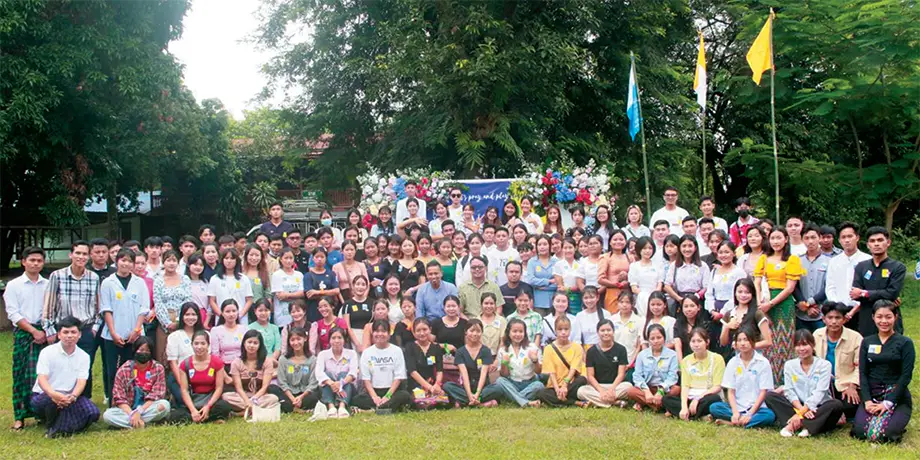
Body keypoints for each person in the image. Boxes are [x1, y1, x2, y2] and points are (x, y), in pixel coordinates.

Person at [41, 241, 100, 398]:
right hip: (64, 329)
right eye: (78, 253)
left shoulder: (93, 278)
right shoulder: (57, 276)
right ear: (71, 255)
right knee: (61, 366)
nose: (81, 257)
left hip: (86, 330)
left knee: (84, 367)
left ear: (89, 257)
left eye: (84, 254)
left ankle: (83, 402)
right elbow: (49, 304)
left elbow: (97, 306)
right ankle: (56, 400)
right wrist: (49, 330)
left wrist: (94, 328)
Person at [854, 300, 916, 443]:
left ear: (895, 317)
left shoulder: (905, 343)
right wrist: (867, 400)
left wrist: (888, 403)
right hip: (873, 393)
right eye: (879, 316)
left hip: (896, 395)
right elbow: (862, 373)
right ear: (873, 317)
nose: (884, 321)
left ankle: (893, 419)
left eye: (888, 317)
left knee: (886, 435)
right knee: (861, 432)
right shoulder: (867, 342)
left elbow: (906, 376)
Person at [765, 330, 843, 438]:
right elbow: (789, 390)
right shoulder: (790, 365)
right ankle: (810, 425)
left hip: (818, 407)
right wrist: (801, 410)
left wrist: (802, 413)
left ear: (813, 345)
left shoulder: (824, 365)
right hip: (798, 405)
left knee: (836, 405)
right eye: (798, 345)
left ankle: (796, 425)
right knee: (770, 396)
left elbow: (820, 393)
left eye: (805, 344)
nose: (801, 349)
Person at [30, 316, 99, 437]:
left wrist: (73, 396)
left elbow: (81, 382)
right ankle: (55, 426)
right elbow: (42, 379)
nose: (70, 336)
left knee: (93, 412)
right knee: (51, 402)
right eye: (65, 332)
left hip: (70, 397)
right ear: (59, 335)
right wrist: (54, 395)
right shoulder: (47, 352)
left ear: (79, 335)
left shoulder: (84, 356)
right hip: (46, 395)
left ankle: (59, 427)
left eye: (73, 332)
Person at [6, 247, 49, 430]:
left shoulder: (48, 284)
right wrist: (33, 331)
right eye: (32, 260)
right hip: (25, 334)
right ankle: (20, 416)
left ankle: (41, 413)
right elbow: (13, 313)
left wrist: (45, 331)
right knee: (21, 375)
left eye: (39, 261)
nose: (35, 264)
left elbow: (51, 309)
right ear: (23, 261)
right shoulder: (14, 285)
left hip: (45, 332)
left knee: (43, 375)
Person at [754, 226, 804, 382]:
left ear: (786, 239)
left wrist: (772, 303)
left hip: (783, 303)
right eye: (773, 238)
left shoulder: (792, 259)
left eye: (779, 238)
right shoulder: (763, 258)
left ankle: (784, 381)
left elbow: (790, 288)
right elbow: (757, 282)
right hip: (764, 301)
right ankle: (768, 381)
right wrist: (761, 306)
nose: (775, 241)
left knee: (784, 342)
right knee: (767, 341)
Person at [99, 248, 150, 400]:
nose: (126, 264)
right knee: (112, 370)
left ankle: (132, 398)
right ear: (117, 261)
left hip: (135, 335)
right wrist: (113, 332)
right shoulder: (108, 283)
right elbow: (106, 309)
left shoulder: (139, 283)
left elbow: (144, 308)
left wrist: (136, 330)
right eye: (123, 260)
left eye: (129, 261)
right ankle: (114, 400)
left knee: (133, 368)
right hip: (112, 335)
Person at [709, 327, 776, 428]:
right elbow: (730, 391)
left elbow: (763, 392)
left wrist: (750, 414)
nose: (743, 343)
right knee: (714, 407)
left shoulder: (763, 363)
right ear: (736, 344)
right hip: (738, 406)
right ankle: (741, 421)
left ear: (753, 342)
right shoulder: (733, 362)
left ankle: (733, 423)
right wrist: (735, 412)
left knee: (769, 416)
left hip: (757, 408)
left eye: (746, 340)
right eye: (739, 340)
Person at [102, 337, 171, 429]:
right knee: (108, 415)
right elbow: (119, 397)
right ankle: (140, 423)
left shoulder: (158, 368)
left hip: (147, 407)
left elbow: (157, 395)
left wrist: (139, 411)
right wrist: (132, 413)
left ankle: (131, 423)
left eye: (147, 350)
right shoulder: (124, 369)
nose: (144, 353)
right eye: (141, 350)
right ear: (135, 350)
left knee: (164, 405)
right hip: (128, 409)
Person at [166, 330, 233, 423]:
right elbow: (184, 390)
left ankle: (203, 416)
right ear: (191, 345)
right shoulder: (184, 364)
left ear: (208, 345)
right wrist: (193, 410)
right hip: (194, 401)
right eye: (196, 344)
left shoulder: (216, 362)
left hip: (210, 400)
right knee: (175, 416)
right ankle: (204, 418)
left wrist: (208, 406)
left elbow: (219, 388)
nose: (199, 347)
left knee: (224, 406)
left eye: (203, 343)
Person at [850, 226, 906, 337]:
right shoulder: (861, 267)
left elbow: (892, 293)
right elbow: (855, 294)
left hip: (889, 320)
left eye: (880, 240)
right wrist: (884, 295)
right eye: (872, 241)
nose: (876, 244)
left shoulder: (898, 267)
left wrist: (865, 293)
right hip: (866, 319)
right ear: (868, 245)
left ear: (888, 242)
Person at [813, 302, 862, 419]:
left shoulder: (856, 337)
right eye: (830, 318)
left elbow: (860, 366)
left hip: (845, 384)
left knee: (852, 404)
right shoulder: (816, 335)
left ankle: (834, 413)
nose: (834, 322)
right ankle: (835, 414)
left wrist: (852, 385)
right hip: (821, 383)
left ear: (845, 319)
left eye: (838, 318)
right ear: (823, 319)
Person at [663, 327, 724, 420]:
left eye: (699, 341)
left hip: (707, 396)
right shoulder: (686, 361)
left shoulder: (717, 359)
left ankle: (688, 415)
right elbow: (685, 386)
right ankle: (697, 416)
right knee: (666, 399)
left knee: (713, 399)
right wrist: (684, 407)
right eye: (693, 341)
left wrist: (698, 399)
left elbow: (717, 386)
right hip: (690, 397)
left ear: (707, 342)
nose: (696, 345)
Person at [353, 320, 412, 412]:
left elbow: (399, 377)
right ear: (372, 333)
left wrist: (388, 396)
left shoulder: (396, 351)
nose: (380, 334)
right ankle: (386, 407)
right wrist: (374, 397)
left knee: (405, 396)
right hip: (374, 391)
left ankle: (375, 409)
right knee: (356, 399)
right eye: (377, 331)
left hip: (392, 391)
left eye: (383, 331)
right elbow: (366, 379)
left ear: (389, 334)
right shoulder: (367, 353)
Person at [443, 320, 502, 407]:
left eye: (478, 331)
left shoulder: (486, 350)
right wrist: (470, 395)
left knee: (498, 388)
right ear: (466, 332)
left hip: (483, 388)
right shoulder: (460, 351)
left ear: (482, 332)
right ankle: (481, 404)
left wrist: (477, 394)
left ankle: (468, 402)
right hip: (466, 388)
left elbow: (483, 374)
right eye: (472, 330)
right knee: (447, 385)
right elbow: (464, 374)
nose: (475, 334)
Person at [577, 319, 631, 408]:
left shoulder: (621, 349)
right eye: (602, 330)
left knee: (628, 387)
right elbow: (590, 376)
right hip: (597, 387)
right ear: (597, 332)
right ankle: (615, 402)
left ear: (613, 332)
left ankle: (599, 402)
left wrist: (612, 389)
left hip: (615, 386)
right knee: (581, 391)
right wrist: (601, 390)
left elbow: (621, 374)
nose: (606, 333)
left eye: (608, 330)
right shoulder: (591, 351)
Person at [222, 330, 280, 413]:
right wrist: (247, 401)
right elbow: (238, 388)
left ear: (260, 345)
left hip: (259, 396)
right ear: (244, 343)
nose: (252, 345)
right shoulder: (237, 362)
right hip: (242, 396)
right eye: (249, 342)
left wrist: (253, 400)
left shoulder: (266, 362)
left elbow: (265, 387)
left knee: (273, 398)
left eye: (255, 343)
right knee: (226, 397)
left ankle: (243, 412)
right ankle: (254, 410)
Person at [824, 222, 871, 320]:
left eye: (850, 236)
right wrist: (837, 306)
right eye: (843, 237)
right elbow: (830, 287)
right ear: (839, 240)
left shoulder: (868, 260)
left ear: (857, 238)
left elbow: (870, 288)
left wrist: (856, 306)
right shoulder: (834, 262)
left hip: (862, 309)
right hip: (839, 310)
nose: (847, 240)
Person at [627, 324, 679, 412]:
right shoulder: (642, 355)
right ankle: (660, 406)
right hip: (648, 388)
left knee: (676, 390)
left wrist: (661, 391)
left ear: (664, 338)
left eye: (659, 337)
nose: (656, 341)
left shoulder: (672, 355)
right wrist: (646, 391)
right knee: (631, 391)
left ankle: (647, 404)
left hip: (665, 389)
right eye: (652, 338)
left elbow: (672, 376)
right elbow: (637, 376)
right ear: (648, 340)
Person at [492, 319, 543, 408]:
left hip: (529, 382)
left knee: (539, 386)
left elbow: (538, 372)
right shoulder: (503, 350)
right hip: (512, 383)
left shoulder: (532, 347)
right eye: (514, 331)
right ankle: (526, 402)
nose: (518, 334)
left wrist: (535, 360)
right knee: (500, 381)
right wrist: (504, 363)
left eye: (521, 331)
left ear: (525, 333)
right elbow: (504, 375)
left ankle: (513, 398)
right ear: (509, 333)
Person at [537, 316, 587, 406]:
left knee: (582, 379)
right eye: (560, 329)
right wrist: (557, 389)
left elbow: (574, 368)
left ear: (570, 330)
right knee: (541, 393)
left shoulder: (577, 347)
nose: (563, 332)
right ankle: (575, 402)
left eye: (566, 329)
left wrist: (565, 385)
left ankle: (559, 400)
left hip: (571, 384)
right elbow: (551, 372)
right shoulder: (549, 349)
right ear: (555, 330)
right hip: (555, 384)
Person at [153, 250, 192, 363]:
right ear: (163, 262)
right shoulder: (158, 280)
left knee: (182, 355)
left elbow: (188, 300)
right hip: (164, 322)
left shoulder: (185, 279)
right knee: (163, 355)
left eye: (174, 260)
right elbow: (158, 302)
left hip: (182, 320)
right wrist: (167, 323)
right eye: (168, 260)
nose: (171, 263)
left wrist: (179, 321)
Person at [719, 278, 774, 359]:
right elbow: (723, 342)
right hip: (735, 357)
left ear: (752, 294)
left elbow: (768, 341)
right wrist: (727, 327)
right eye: (740, 292)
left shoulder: (757, 313)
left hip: (755, 356)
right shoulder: (729, 313)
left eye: (747, 292)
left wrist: (747, 346)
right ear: (735, 293)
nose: (743, 295)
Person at [403, 318, 449, 409]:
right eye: (418, 330)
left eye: (425, 329)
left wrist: (437, 385)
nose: (422, 333)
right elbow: (412, 371)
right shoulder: (409, 347)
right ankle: (428, 402)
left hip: (432, 383)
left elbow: (440, 370)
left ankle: (431, 401)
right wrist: (429, 387)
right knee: (419, 401)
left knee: (445, 400)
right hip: (416, 384)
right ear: (413, 332)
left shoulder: (436, 347)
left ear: (430, 330)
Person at [165, 303, 206, 401]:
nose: (190, 317)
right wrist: (183, 384)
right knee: (185, 399)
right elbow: (173, 363)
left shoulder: (205, 334)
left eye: (193, 314)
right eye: (187, 314)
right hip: (180, 376)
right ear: (182, 317)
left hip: (201, 375)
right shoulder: (174, 336)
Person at [663, 235, 710, 317]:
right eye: (684, 246)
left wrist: (696, 297)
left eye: (690, 246)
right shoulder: (675, 265)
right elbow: (667, 286)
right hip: (680, 301)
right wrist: (679, 298)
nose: (687, 249)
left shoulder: (703, 266)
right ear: (679, 248)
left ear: (695, 247)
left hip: (697, 301)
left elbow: (706, 286)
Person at [794, 225, 831, 332]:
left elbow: (828, 286)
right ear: (802, 240)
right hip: (801, 313)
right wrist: (802, 303)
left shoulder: (830, 261)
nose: (810, 241)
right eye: (806, 238)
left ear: (819, 238)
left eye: (813, 237)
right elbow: (794, 285)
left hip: (821, 312)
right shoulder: (797, 261)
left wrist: (811, 303)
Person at [276, 327, 320, 413]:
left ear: (305, 339)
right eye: (292, 340)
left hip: (305, 394)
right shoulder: (283, 359)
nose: (296, 343)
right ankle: (297, 408)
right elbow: (282, 382)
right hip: (288, 394)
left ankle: (290, 407)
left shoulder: (312, 359)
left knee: (317, 393)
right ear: (289, 342)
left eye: (298, 339)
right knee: (272, 389)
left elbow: (313, 382)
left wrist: (301, 397)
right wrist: (292, 398)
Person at [208, 248, 254, 327]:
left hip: (240, 319)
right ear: (222, 260)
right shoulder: (215, 279)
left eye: (232, 258)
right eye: (226, 258)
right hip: (221, 319)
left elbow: (249, 300)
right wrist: (222, 315)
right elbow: (212, 301)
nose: (229, 261)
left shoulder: (243, 279)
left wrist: (240, 314)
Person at [704, 240, 746, 326]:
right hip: (715, 311)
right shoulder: (714, 271)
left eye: (727, 252)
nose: (723, 255)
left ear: (733, 254)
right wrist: (712, 310)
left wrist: (723, 312)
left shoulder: (739, 272)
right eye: (720, 252)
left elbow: (739, 293)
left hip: (732, 310)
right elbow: (709, 293)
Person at [303, 248, 340, 323]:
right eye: (317, 257)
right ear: (313, 258)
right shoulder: (308, 275)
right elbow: (309, 295)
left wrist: (317, 292)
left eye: (322, 257)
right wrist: (329, 292)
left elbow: (336, 291)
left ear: (326, 258)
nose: (319, 259)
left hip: (329, 308)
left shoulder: (331, 274)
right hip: (313, 309)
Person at [270, 247, 304, 328]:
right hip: (282, 316)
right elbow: (280, 296)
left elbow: (302, 294)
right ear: (281, 259)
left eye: (291, 258)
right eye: (286, 258)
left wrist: (287, 294)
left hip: (297, 315)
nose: (288, 261)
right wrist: (295, 296)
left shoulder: (299, 275)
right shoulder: (277, 275)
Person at [598, 230, 630, 314]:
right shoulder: (606, 257)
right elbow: (600, 279)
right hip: (612, 292)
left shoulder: (630, 257)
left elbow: (635, 276)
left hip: (627, 293)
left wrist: (627, 278)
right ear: (610, 242)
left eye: (621, 239)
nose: (618, 242)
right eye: (615, 240)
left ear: (625, 242)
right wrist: (616, 284)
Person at [611, 291, 643, 367]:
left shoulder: (639, 321)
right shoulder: (612, 320)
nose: (624, 305)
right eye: (621, 302)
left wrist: (631, 362)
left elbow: (639, 345)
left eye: (627, 302)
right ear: (617, 303)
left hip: (631, 361)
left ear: (632, 304)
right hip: (614, 360)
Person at [673, 295, 710, 360]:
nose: (689, 309)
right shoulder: (678, 324)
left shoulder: (705, 324)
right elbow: (678, 346)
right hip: (684, 359)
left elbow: (706, 346)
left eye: (692, 306)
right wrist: (682, 365)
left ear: (698, 307)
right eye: (686, 306)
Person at [241, 244, 271, 323]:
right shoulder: (240, 273)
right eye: (251, 255)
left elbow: (268, 295)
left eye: (257, 255)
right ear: (246, 256)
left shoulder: (264, 273)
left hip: (259, 312)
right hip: (243, 311)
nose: (254, 258)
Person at [552, 238, 582, 315]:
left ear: (575, 248)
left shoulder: (581, 263)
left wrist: (569, 288)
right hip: (565, 297)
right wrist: (569, 289)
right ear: (562, 249)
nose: (568, 250)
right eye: (565, 248)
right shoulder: (558, 265)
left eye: (570, 247)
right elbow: (560, 286)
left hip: (580, 296)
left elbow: (582, 283)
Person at [343, 276, 373, 348]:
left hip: (369, 336)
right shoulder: (347, 304)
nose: (360, 287)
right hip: (354, 337)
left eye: (363, 284)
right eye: (357, 284)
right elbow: (347, 326)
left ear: (366, 287)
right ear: (353, 286)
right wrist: (357, 344)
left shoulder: (372, 302)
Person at [576, 235, 605, 304]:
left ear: (601, 245)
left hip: (604, 293)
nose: (592, 246)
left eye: (595, 243)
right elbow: (579, 281)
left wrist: (597, 293)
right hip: (587, 295)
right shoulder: (583, 261)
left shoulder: (606, 259)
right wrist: (588, 294)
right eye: (590, 244)